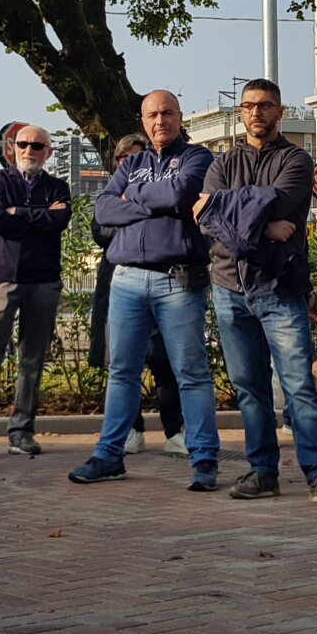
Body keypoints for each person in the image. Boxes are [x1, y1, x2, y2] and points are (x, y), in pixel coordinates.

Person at [195, 79, 317, 505]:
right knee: (249, 387)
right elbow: (207, 218)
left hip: (280, 288)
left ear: (280, 111)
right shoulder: (221, 162)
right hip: (229, 288)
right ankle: (263, 471)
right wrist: (262, 224)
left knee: (299, 385)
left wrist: (231, 210)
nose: (255, 113)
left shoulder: (297, 160)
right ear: (240, 112)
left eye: (264, 106)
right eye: (248, 106)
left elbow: (269, 205)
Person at [69, 90, 221, 490]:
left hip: (177, 279)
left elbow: (179, 193)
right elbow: (103, 209)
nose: (160, 121)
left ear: (180, 116)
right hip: (126, 280)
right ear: (143, 120)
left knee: (191, 373)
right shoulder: (132, 162)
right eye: (152, 114)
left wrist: (131, 197)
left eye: (167, 112)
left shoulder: (197, 158)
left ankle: (204, 459)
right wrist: (150, 202)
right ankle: (109, 455)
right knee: (122, 373)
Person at [0, 125, 70, 460]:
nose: (30, 149)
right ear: (12, 147)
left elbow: (60, 222)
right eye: (24, 144)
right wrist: (42, 216)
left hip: (44, 281)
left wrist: (18, 213)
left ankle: (22, 433)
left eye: (38, 145)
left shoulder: (58, 186)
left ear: (48, 152)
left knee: (32, 361)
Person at [88, 133, 186, 455]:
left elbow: (165, 220)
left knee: (165, 361)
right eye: (122, 159)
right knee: (122, 364)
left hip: (160, 281)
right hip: (119, 282)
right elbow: (103, 228)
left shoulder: (151, 184)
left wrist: (132, 208)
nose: (129, 164)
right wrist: (147, 210)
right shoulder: (108, 194)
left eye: (136, 158)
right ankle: (130, 431)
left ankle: (175, 431)